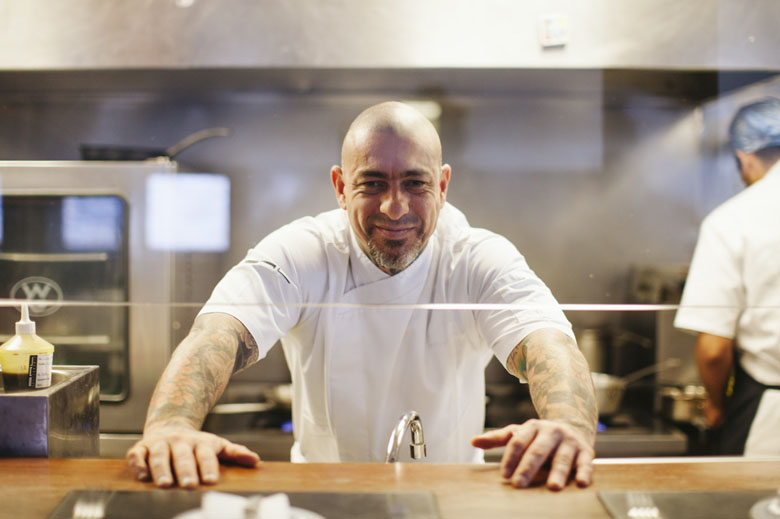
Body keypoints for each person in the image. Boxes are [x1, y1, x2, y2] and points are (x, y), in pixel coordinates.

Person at [126, 101, 597, 490]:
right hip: (322, 498)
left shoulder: (477, 256)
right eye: (373, 183)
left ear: (444, 185)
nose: (395, 207)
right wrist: (172, 425)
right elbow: (219, 333)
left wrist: (570, 425)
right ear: (339, 186)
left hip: (450, 498)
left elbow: (546, 342)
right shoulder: (304, 250)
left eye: (415, 182)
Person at [675, 97, 780, 455]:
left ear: (745, 157)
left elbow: (714, 349)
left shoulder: (734, 220)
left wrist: (716, 404)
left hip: (771, 416)